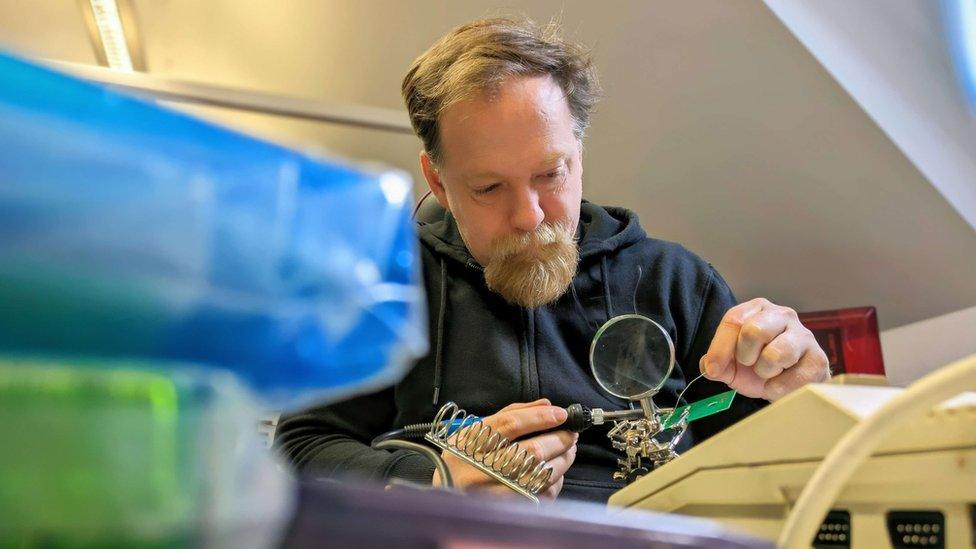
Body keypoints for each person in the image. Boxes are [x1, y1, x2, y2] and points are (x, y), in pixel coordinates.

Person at [276, 17, 830, 503]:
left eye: (550, 174)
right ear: (438, 183)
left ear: (580, 156)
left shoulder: (676, 282)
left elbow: (774, 466)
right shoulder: (384, 284)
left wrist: (802, 398)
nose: (529, 217)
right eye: (489, 188)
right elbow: (300, 450)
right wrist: (434, 478)